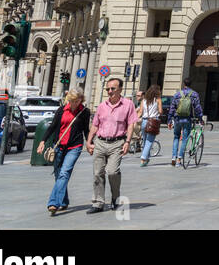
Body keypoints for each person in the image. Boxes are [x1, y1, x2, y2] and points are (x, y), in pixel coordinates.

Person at [86, 78, 136, 213]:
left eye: (112, 89)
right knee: (97, 173)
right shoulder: (102, 106)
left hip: (117, 142)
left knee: (112, 172)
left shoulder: (128, 104)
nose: (109, 91)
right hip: (100, 142)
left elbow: (131, 124)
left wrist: (127, 142)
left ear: (120, 89)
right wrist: (89, 141)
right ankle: (98, 203)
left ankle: (115, 197)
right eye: (107, 89)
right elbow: (95, 125)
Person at [41, 90, 90, 216]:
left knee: (64, 172)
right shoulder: (61, 110)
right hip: (58, 146)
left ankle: (53, 203)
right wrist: (43, 141)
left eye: (77, 100)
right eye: (72, 100)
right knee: (59, 175)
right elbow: (53, 126)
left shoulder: (84, 112)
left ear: (81, 99)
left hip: (75, 146)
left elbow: (86, 129)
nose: (74, 103)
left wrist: (89, 143)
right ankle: (64, 201)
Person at [169, 79, 204, 165]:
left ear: (183, 84)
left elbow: (172, 107)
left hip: (177, 119)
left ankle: (174, 157)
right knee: (185, 138)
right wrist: (200, 118)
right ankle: (180, 159)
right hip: (187, 119)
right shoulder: (194, 94)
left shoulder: (177, 94)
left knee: (176, 137)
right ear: (190, 84)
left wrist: (169, 119)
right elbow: (197, 108)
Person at [136, 85, 163, 166]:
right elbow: (161, 111)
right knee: (149, 141)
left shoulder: (144, 100)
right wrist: (157, 111)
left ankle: (146, 159)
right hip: (153, 121)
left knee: (145, 141)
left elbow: (140, 112)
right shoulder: (158, 100)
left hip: (144, 121)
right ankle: (143, 158)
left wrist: (134, 120)